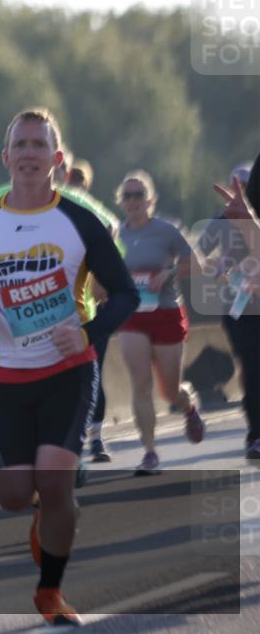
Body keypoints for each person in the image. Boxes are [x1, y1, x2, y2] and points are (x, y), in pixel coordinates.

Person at [0, 108, 138, 627]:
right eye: (20, 145)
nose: (29, 154)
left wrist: (87, 333)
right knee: (13, 495)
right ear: (5, 157)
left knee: (56, 484)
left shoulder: (80, 221)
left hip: (68, 371)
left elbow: (126, 293)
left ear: (56, 159)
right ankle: (43, 514)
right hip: (6, 376)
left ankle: (50, 591)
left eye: (38, 145)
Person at [0, 159, 122, 464]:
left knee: (74, 388)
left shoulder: (73, 200)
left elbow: (111, 227)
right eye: (21, 152)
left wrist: (100, 275)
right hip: (14, 328)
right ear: (8, 160)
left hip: (72, 321)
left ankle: (79, 446)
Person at [115, 170, 206, 476]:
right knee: (140, 384)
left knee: (169, 391)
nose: (133, 201)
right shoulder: (116, 236)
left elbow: (196, 265)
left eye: (138, 195)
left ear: (150, 199)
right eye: (127, 196)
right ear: (120, 202)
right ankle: (150, 452)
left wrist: (170, 272)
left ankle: (188, 406)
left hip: (166, 312)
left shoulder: (166, 231)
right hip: (132, 316)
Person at [205, 156, 260, 459]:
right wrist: (222, 267)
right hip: (239, 303)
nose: (242, 190)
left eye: (247, 185)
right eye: (236, 184)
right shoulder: (224, 217)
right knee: (251, 364)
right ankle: (256, 432)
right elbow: (203, 251)